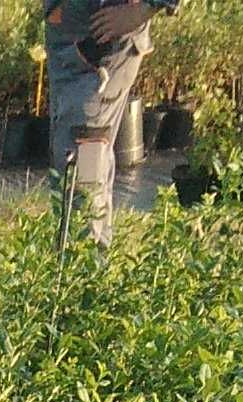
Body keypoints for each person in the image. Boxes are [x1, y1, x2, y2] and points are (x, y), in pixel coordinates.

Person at [48, 0, 162, 244]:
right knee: (79, 162)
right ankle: (83, 262)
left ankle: (83, 268)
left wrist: (145, 9)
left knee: (83, 168)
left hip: (97, 52)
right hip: (71, 44)